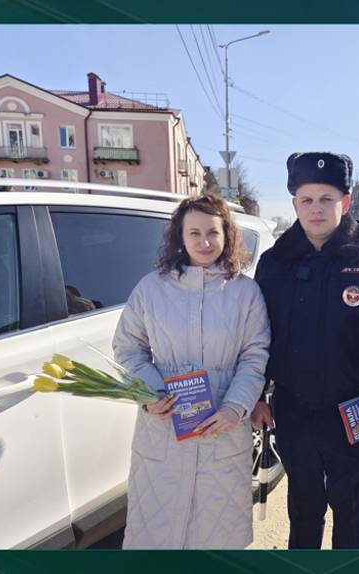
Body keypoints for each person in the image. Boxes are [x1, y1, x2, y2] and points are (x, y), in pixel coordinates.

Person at [249, 151, 359, 549]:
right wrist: (257, 397)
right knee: (303, 509)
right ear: (294, 203)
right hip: (293, 410)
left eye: (327, 199)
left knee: (352, 513)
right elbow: (259, 335)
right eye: (306, 199)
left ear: (345, 202)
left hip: (355, 413)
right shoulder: (273, 264)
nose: (316, 209)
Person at [112, 194, 270, 549]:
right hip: (164, 432)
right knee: (157, 534)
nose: (204, 242)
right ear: (179, 237)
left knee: (216, 535)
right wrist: (150, 394)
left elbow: (254, 356)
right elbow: (128, 348)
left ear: (227, 235)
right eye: (194, 233)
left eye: (213, 232)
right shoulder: (151, 289)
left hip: (222, 432)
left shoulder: (245, 293)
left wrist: (235, 407)